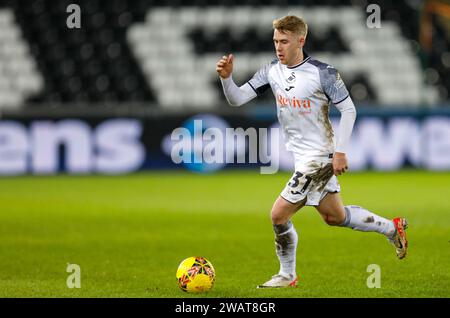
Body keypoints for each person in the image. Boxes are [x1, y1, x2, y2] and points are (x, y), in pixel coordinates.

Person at [215, 15, 408, 288]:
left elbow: (349, 109)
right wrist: (227, 79)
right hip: (302, 157)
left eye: (284, 41)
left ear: (300, 40)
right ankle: (392, 227)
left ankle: (286, 275)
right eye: (275, 41)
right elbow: (236, 99)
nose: (278, 47)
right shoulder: (271, 70)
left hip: (320, 158)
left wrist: (340, 152)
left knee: (278, 215)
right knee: (334, 216)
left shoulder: (323, 72)